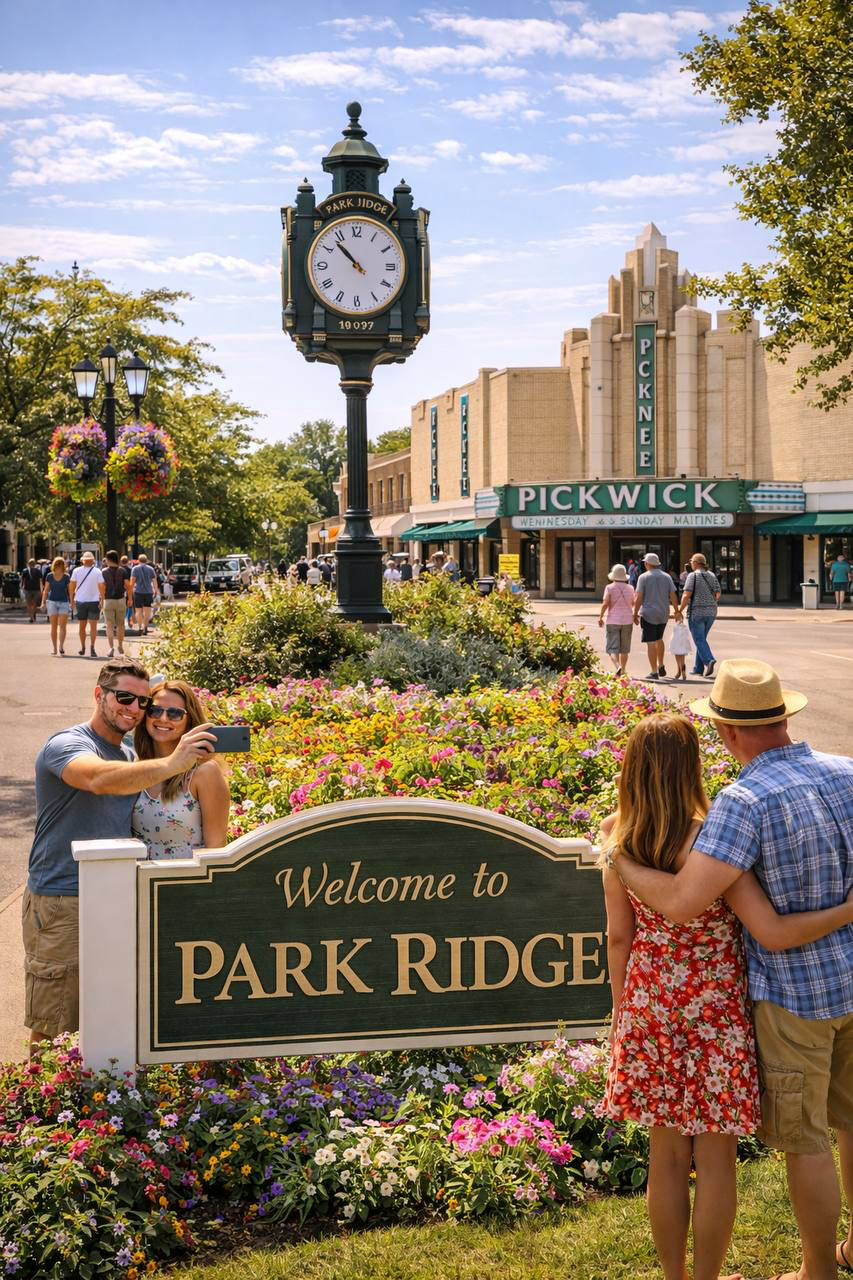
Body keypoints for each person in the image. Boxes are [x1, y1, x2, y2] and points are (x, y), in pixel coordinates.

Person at [616, 660, 853, 1280]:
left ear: (727, 731)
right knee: (834, 1126)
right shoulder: (844, 774)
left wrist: (616, 861)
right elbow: (753, 921)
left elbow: (651, 918)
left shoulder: (728, 807)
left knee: (772, 1145)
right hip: (783, 994)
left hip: (724, 1000)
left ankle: (791, 1273)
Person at [23, 656, 215, 1055]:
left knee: (108, 1016)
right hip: (63, 899)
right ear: (99, 695)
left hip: (117, 899)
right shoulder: (68, 745)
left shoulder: (130, 756)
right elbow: (96, 779)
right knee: (55, 1021)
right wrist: (172, 761)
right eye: (124, 697)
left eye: (141, 702)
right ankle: (43, 1111)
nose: (134, 709)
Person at [132, 679, 230, 858]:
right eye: (154, 711)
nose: (162, 718)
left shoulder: (204, 773)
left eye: (174, 714)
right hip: (137, 882)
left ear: (189, 720)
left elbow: (216, 853)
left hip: (183, 883)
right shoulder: (136, 768)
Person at [633, 552, 680, 680]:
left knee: (650, 643)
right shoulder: (667, 577)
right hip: (663, 613)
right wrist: (677, 610)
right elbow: (673, 595)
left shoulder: (643, 577)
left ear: (647, 564)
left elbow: (639, 596)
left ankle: (654, 672)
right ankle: (661, 664)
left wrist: (635, 613)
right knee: (659, 639)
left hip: (648, 614)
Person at [680, 552, 721, 678]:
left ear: (696, 563)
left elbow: (686, 594)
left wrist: (679, 610)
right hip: (711, 612)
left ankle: (708, 660)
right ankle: (698, 668)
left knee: (698, 639)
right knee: (701, 639)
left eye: (692, 562)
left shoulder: (693, 576)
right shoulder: (712, 575)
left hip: (697, 611)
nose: (691, 564)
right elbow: (718, 594)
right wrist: (710, 603)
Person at [598, 563, 635, 674]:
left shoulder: (609, 587)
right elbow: (632, 603)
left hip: (613, 620)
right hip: (628, 620)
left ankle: (617, 666)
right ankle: (623, 670)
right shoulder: (630, 588)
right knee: (624, 649)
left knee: (613, 648)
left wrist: (600, 617)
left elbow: (605, 603)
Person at [69, 551, 105, 658]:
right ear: (93, 560)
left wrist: (71, 600)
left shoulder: (76, 571)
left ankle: (83, 647)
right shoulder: (98, 571)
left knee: (82, 626)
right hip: (94, 601)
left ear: (82, 560)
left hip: (80, 600)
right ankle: (92, 647)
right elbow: (102, 586)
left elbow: (71, 586)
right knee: (93, 627)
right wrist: (102, 600)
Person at [101, 549, 132, 658]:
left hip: (108, 600)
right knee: (120, 625)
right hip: (120, 600)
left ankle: (111, 648)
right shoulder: (123, 571)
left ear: (108, 559)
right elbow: (128, 586)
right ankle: (120, 645)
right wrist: (130, 598)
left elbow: (102, 587)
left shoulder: (103, 572)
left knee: (109, 625)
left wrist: (101, 600)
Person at [41, 556, 71, 656]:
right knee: (53, 626)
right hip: (52, 602)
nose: (59, 566)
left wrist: (71, 601)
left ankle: (61, 646)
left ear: (63, 565)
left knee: (62, 626)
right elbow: (46, 590)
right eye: (57, 564)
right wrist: (43, 602)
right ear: (54, 565)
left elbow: (70, 591)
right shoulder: (49, 576)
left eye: (61, 564)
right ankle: (54, 648)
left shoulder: (66, 576)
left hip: (64, 602)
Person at [130, 553, 158, 635]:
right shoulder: (151, 569)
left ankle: (140, 627)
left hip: (138, 591)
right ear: (146, 560)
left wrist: (130, 590)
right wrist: (155, 590)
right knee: (147, 610)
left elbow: (132, 580)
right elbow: (154, 580)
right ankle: (146, 626)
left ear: (138, 560)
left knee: (138, 610)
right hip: (148, 592)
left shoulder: (135, 569)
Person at [668, 615, 692, 680]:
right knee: (682, 653)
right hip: (683, 632)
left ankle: (679, 670)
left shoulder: (676, 624)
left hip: (679, 621)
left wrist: (678, 611)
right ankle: (682, 670)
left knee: (677, 651)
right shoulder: (684, 626)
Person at [20, 558, 43, 623]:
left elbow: (40, 580)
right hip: (30, 589)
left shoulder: (37, 571)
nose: (31, 565)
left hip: (33, 589)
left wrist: (21, 588)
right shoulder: (25, 571)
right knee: (31, 604)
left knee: (31, 604)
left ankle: (32, 616)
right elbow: (22, 580)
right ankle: (32, 617)